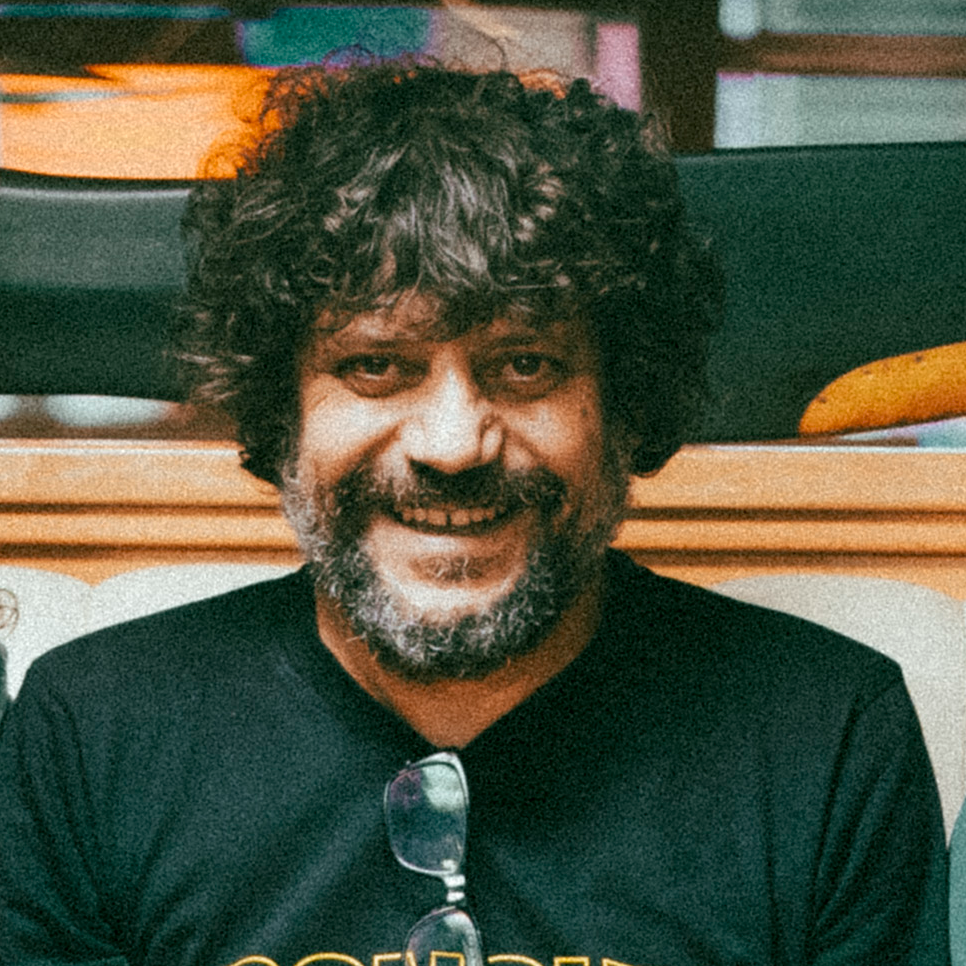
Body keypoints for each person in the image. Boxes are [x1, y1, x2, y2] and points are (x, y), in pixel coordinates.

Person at [0, 61, 949, 966]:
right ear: (281, 412)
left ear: (625, 403)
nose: (454, 446)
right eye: (376, 365)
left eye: (526, 363)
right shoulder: (94, 732)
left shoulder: (825, 733)